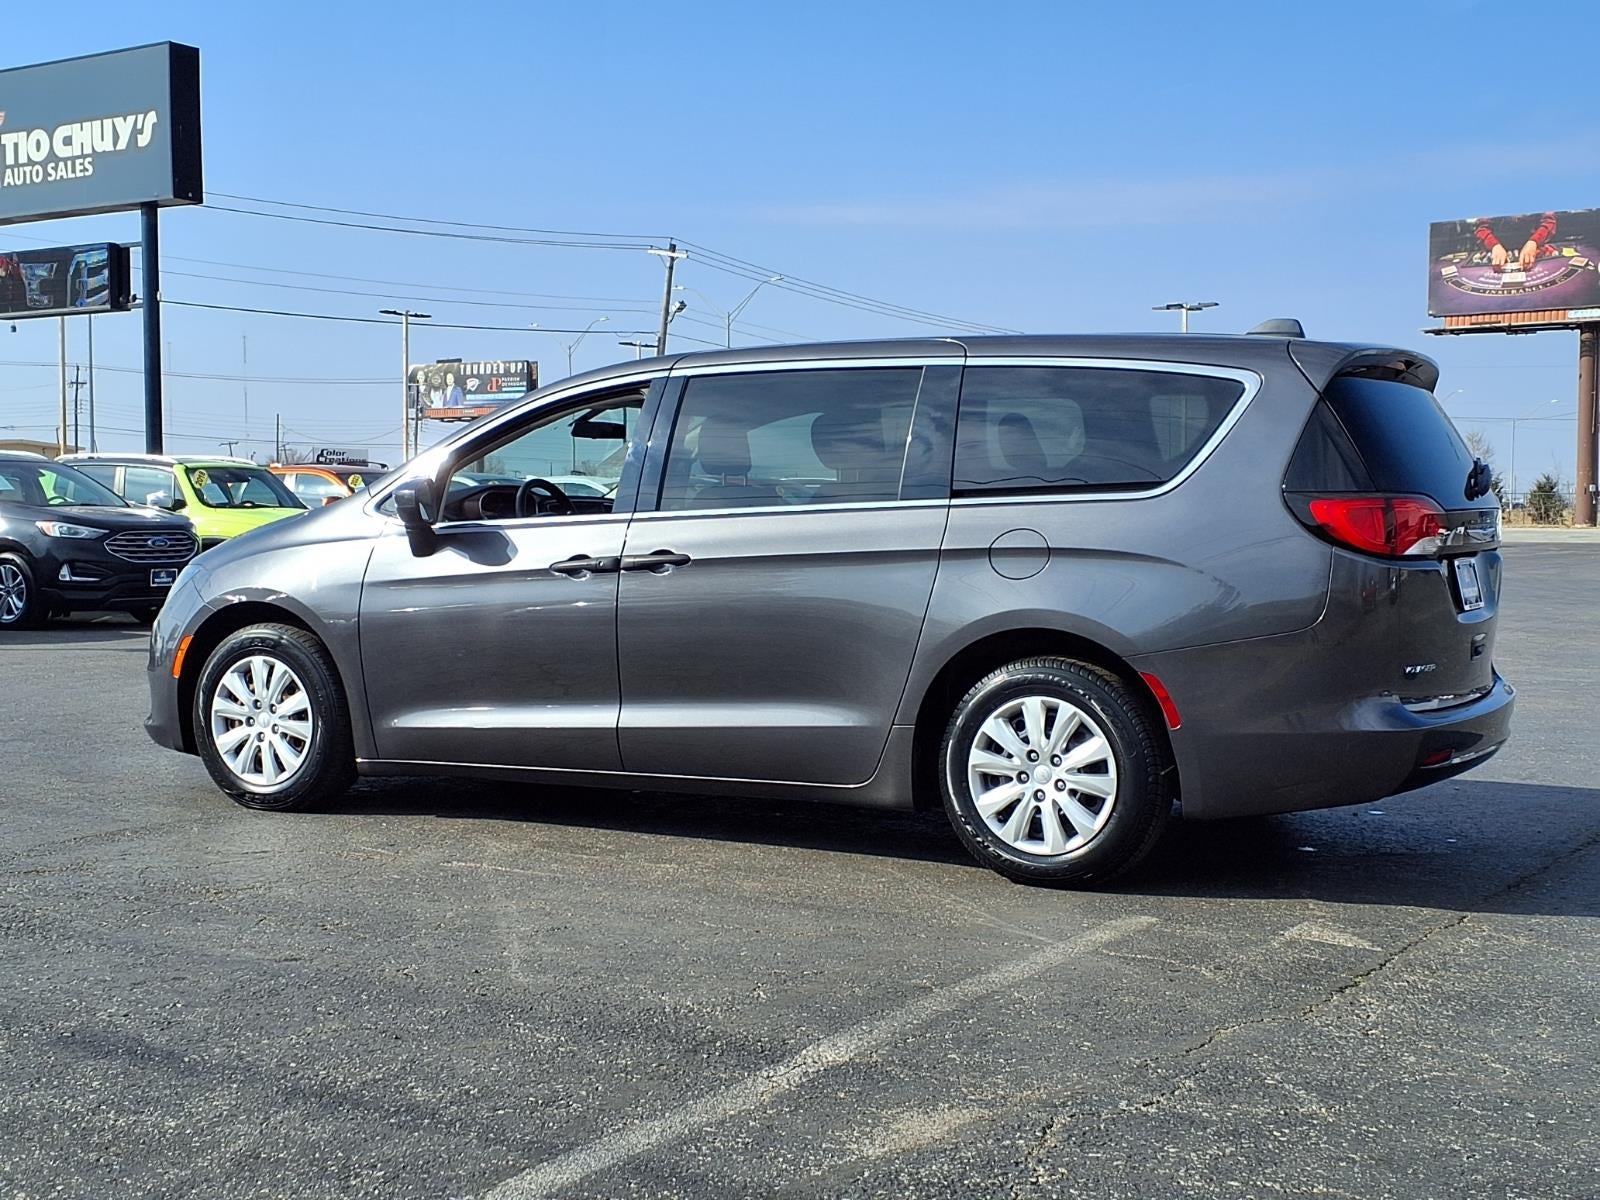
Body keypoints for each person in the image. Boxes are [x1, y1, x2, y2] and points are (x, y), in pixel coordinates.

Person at [1475, 212, 1557, 272]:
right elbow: (1482, 229)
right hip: (1498, 255)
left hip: (1535, 252)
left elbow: (1549, 222)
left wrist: (1534, 242)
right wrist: (1494, 245)